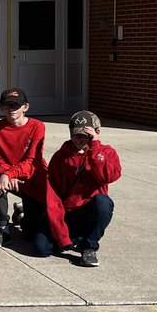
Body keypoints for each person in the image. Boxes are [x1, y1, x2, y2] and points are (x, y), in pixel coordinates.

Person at [32, 111, 121, 267]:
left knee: (103, 203)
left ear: (96, 132)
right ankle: (73, 238)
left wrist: (94, 147)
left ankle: (89, 246)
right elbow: (53, 198)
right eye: (75, 135)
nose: (79, 139)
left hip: (88, 212)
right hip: (66, 213)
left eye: (84, 135)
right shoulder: (61, 157)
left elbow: (108, 176)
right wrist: (62, 236)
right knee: (41, 249)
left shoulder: (107, 153)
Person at [0, 88, 47, 248]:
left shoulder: (37, 127)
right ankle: (2, 229)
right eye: (7, 105)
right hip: (10, 179)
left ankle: (23, 213)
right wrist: (5, 175)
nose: (12, 109)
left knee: (30, 235)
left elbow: (32, 160)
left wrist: (9, 173)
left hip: (33, 180)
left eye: (16, 106)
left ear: (26, 107)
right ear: (1, 108)